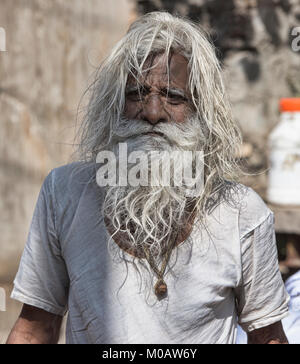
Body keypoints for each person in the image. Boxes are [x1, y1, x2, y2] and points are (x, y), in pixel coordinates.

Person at [6, 12, 289, 344]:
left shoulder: (241, 213)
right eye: (137, 94)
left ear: (202, 109)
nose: (153, 113)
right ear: (113, 105)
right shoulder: (65, 193)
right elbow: (34, 330)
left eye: (174, 96)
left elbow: (268, 337)